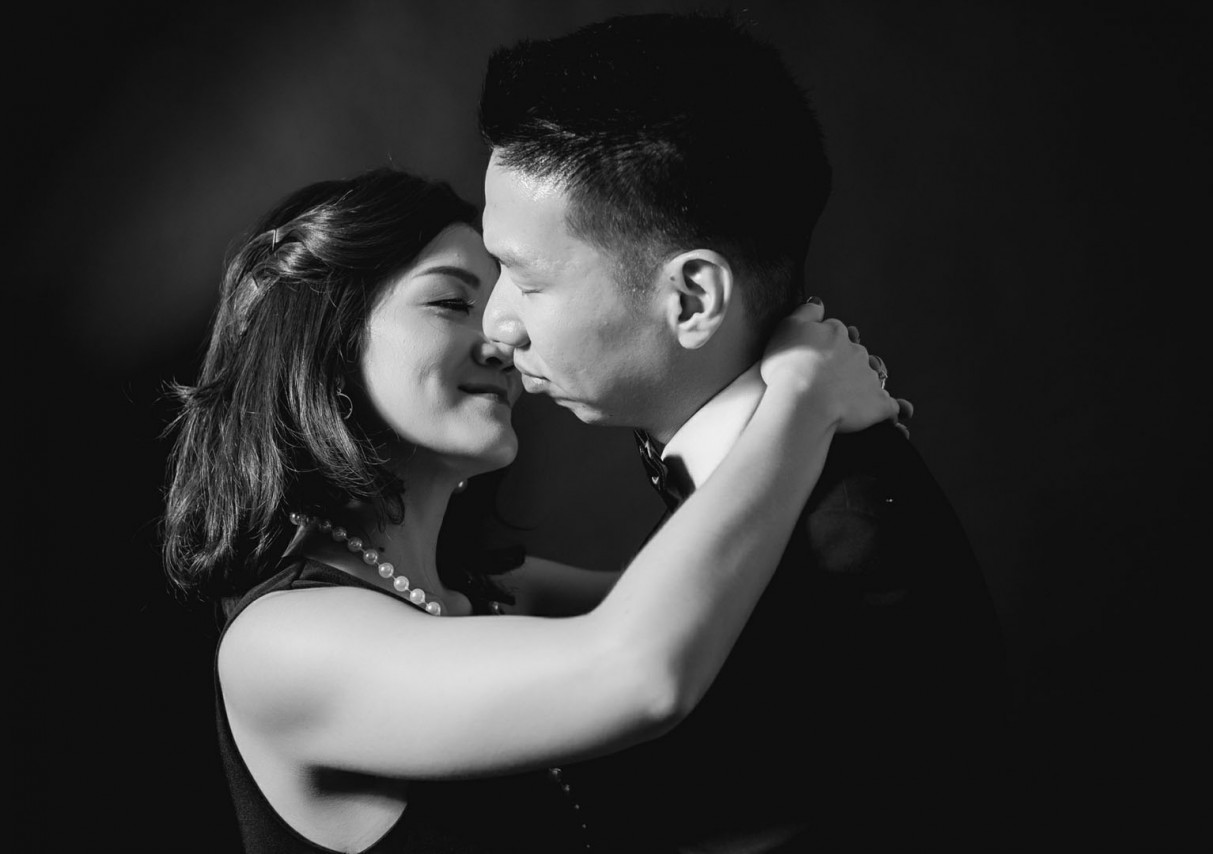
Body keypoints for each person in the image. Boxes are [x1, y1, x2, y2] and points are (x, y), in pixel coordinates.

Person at [161, 166, 900, 853]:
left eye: (505, 308)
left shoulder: (488, 595)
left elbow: (736, 618)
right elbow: (642, 673)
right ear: (323, 339)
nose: (501, 343)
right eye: (452, 303)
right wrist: (803, 397)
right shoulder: (279, 647)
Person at [477, 11, 1008, 851]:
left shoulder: (849, 548)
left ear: (692, 300)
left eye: (528, 281)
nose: (495, 322)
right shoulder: (717, 439)